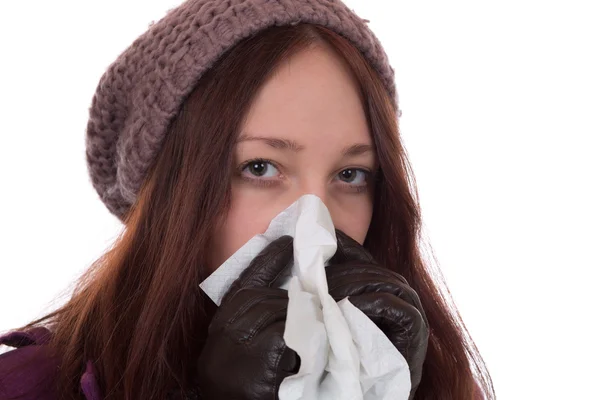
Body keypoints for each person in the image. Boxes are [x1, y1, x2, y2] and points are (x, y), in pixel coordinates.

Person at [0, 0, 495, 399]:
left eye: (350, 174)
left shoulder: (431, 379)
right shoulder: (26, 385)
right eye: (259, 168)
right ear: (172, 191)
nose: (314, 224)